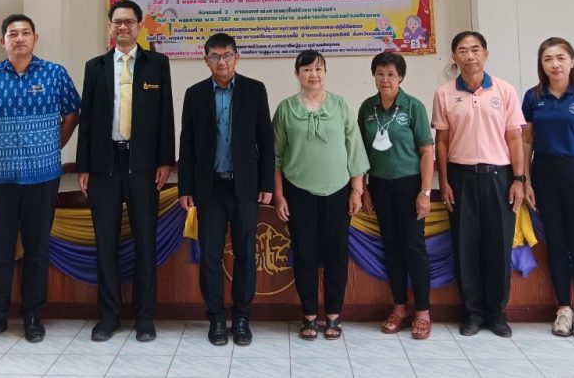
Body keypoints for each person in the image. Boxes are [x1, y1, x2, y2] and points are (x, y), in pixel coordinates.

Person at [0, 14, 81, 345]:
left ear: (35, 38)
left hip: (43, 176)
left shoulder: (55, 74)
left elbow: (72, 115)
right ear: (3, 41)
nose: (19, 38)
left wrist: (53, 145)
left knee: (37, 249)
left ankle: (33, 316)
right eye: (12, 34)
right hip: (0, 178)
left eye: (25, 33)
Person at [76, 0, 175, 342]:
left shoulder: (157, 65)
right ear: (110, 27)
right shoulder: (95, 67)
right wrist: (83, 166)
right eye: (117, 22)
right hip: (104, 166)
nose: (123, 27)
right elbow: (87, 119)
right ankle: (109, 316)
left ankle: (145, 317)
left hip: (143, 167)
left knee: (145, 243)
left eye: (129, 22)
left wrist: (165, 161)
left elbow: (166, 115)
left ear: (139, 26)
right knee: (106, 243)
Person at [178, 33, 274, 347]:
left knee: (246, 254)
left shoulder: (255, 90)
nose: (222, 61)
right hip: (209, 188)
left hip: (244, 186)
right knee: (210, 255)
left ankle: (242, 317)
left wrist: (266, 183)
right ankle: (217, 317)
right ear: (206, 60)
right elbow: (187, 144)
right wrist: (185, 187)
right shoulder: (194, 94)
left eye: (227, 55)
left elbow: (266, 139)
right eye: (215, 56)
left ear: (237, 57)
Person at [433, 31, 525, 338]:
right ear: (454, 57)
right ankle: (472, 313)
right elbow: (441, 142)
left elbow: (515, 138)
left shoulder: (504, 90)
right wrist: (444, 181)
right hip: (460, 177)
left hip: (500, 177)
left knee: (499, 247)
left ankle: (496, 314)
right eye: (463, 50)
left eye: (475, 49)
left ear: (486, 53)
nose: (469, 55)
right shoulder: (444, 93)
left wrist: (519, 179)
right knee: (466, 247)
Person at [272, 50, 368, 341]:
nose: (313, 75)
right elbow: (275, 157)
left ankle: (334, 316)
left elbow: (354, 149)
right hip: (298, 191)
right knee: (305, 254)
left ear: (325, 72)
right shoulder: (286, 109)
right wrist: (279, 196)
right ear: (297, 74)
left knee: (337, 254)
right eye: (307, 70)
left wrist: (357, 190)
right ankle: (309, 316)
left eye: (318, 69)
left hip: (338, 191)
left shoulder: (340, 105)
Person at [521, 37, 574, 339]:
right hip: (544, 174)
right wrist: (525, 179)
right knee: (555, 245)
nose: (555, 64)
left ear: (572, 61)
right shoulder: (533, 97)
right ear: (541, 65)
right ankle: (563, 309)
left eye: (560, 58)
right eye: (548, 59)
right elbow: (526, 142)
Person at [358, 52, 434, 340]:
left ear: (400, 77)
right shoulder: (367, 108)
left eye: (391, 74)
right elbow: (360, 152)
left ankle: (423, 313)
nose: (385, 79)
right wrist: (364, 188)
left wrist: (424, 192)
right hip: (379, 185)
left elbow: (426, 152)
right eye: (380, 73)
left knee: (413, 248)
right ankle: (399, 308)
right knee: (391, 247)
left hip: (409, 185)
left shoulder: (414, 107)